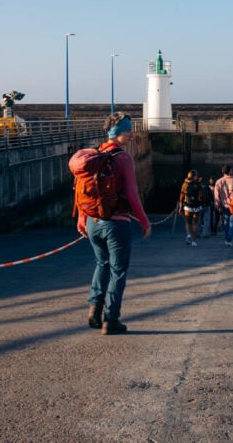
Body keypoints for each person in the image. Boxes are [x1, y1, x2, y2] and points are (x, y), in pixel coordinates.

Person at [79, 113, 151, 335]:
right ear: (117, 133)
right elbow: (132, 194)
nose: (131, 134)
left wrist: (82, 219)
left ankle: (94, 309)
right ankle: (111, 319)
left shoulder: (93, 156)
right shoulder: (123, 159)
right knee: (118, 271)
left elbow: (80, 189)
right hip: (116, 224)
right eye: (128, 131)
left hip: (93, 222)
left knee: (102, 265)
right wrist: (144, 221)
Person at [180, 170, 204, 247]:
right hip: (197, 206)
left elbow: (181, 196)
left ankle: (188, 235)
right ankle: (194, 241)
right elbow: (202, 194)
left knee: (188, 222)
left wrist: (180, 207)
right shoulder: (198, 184)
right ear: (194, 176)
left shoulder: (185, 184)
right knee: (195, 224)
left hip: (187, 205)